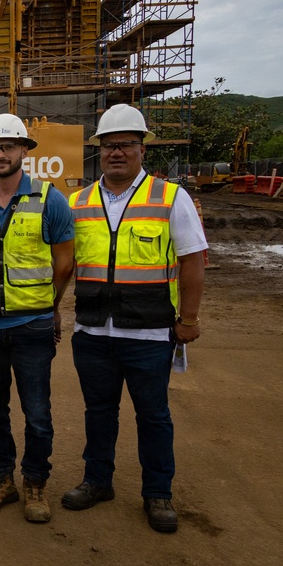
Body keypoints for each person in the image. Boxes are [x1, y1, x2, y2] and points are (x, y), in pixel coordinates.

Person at [61, 104, 207, 533]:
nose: (117, 153)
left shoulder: (170, 197)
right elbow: (65, 265)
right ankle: (97, 481)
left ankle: (158, 493)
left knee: (153, 415)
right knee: (98, 411)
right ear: (99, 152)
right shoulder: (78, 202)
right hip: (91, 332)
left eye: (126, 144)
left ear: (142, 149)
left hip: (148, 332)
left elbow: (193, 260)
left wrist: (189, 319)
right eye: (109, 146)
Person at [0, 114, 74, 523]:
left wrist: (49, 306)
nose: (1, 154)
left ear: (24, 151)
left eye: (9, 146)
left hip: (32, 324)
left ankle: (35, 483)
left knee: (37, 411)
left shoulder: (49, 199)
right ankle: (1, 480)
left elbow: (64, 263)